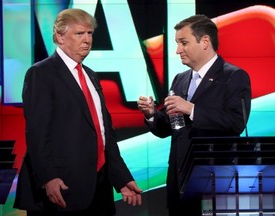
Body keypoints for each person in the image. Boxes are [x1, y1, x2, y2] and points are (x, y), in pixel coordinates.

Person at [14, 8, 142, 216]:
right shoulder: (41, 73)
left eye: (89, 33)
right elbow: (38, 132)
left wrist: (121, 178)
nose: (87, 40)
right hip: (61, 188)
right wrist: (48, 177)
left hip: (98, 189)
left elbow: (104, 133)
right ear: (59, 37)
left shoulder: (91, 76)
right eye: (79, 33)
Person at [137, 14, 251, 216]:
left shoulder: (233, 76)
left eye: (183, 43)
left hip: (215, 185)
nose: (177, 50)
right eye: (177, 43)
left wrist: (191, 109)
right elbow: (170, 128)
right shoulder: (180, 79)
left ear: (205, 41)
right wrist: (152, 114)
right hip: (179, 185)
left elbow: (236, 122)